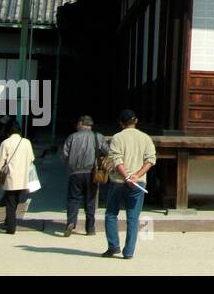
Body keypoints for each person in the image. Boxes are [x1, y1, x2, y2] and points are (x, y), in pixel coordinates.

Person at [104, 110, 156, 260]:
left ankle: (113, 246)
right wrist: (136, 176)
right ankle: (129, 252)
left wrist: (126, 176)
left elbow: (116, 160)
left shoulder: (117, 137)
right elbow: (151, 159)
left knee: (111, 213)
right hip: (138, 182)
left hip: (119, 181)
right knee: (133, 217)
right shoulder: (145, 138)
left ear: (121, 123)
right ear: (136, 121)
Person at [60, 116, 107, 237]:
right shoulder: (98, 136)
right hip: (92, 172)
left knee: (73, 199)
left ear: (80, 124)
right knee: (90, 200)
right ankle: (90, 228)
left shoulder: (72, 137)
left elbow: (64, 155)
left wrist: (70, 165)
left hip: (75, 173)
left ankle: (71, 222)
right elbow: (106, 151)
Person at [0, 123, 35, 234]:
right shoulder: (26, 142)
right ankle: (8, 221)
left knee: (10, 201)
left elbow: (0, 161)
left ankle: (11, 226)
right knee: (15, 200)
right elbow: (31, 158)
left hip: (11, 176)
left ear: (8, 132)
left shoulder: (5, 143)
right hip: (23, 176)